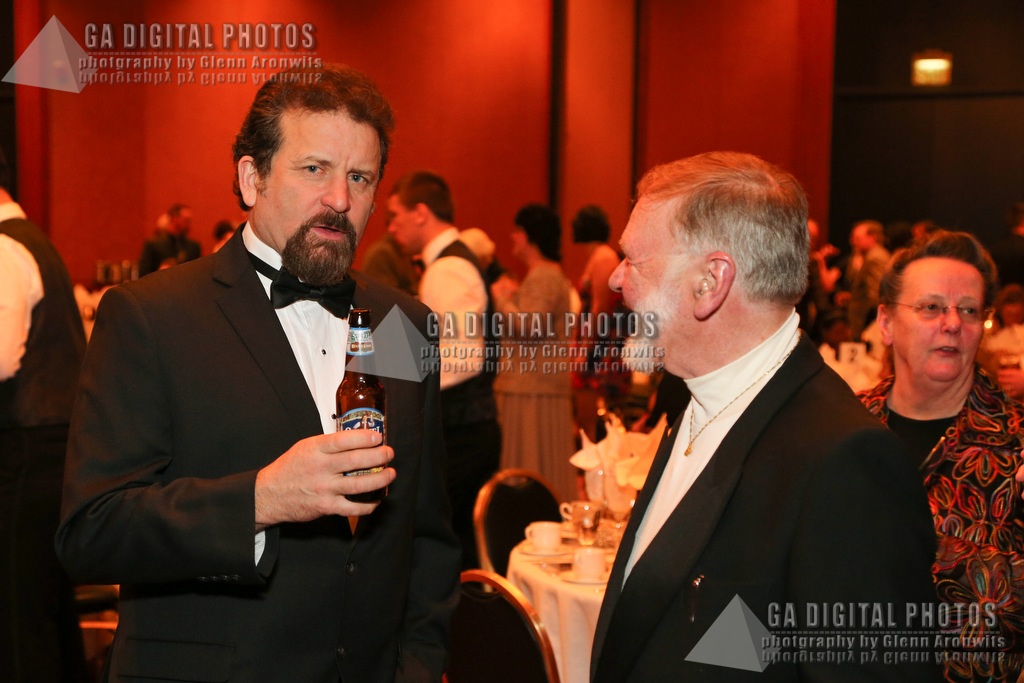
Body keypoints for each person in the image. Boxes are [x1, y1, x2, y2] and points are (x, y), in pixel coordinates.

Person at [56, 65, 460, 682]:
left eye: (360, 177)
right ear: (252, 179)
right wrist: (260, 500)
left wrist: (419, 666)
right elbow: (92, 532)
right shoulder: (151, 316)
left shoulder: (406, 323)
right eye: (314, 169)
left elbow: (425, 529)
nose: (340, 199)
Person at [590, 151, 939, 681]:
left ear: (711, 281)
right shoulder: (698, 395)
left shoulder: (845, 462)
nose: (616, 280)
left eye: (634, 260)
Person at [858, 230, 1024, 681]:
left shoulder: (1016, 446)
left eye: (969, 310)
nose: (952, 323)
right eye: (931, 307)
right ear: (886, 323)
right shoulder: (840, 430)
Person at [0, 147, 87, 682]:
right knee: (47, 611)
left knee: (18, 618)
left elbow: (0, 359)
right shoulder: (32, 240)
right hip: (52, 448)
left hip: (25, 451)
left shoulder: (5, 246)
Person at [386, 170, 501, 570]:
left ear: (420, 213)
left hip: (463, 431)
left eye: (395, 215)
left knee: (452, 548)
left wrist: (394, 374)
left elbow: (464, 357)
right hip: (465, 428)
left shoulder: (448, 267)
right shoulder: (447, 263)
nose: (390, 227)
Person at [491, 204, 577, 501]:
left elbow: (529, 326)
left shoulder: (544, 275)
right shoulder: (547, 275)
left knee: (530, 467)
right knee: (540, 464)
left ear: (529, 235)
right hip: (535, 385)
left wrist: (500, 299)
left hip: (530, 388)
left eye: (517, 231)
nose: (512, 237)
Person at [571, 204, 630, 440]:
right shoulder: (597, 257)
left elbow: (600, 309)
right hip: (595, 345)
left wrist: (585, 350)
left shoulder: (604, 258)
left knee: (593, 425)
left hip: (600, 350)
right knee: (585, 421)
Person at [836, 219, 890, 340]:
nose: (852, 242)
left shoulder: (875, 258)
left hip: (866, 322)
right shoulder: (872, 256)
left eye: (858, 238)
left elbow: (877, 294)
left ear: (872, 237)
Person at [137, 203, 201, 276]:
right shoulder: (153, 244)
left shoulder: (193, 247)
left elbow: (198, 274)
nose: (189, 224)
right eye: (186, 220)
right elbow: (144, 274)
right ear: (174, 219)